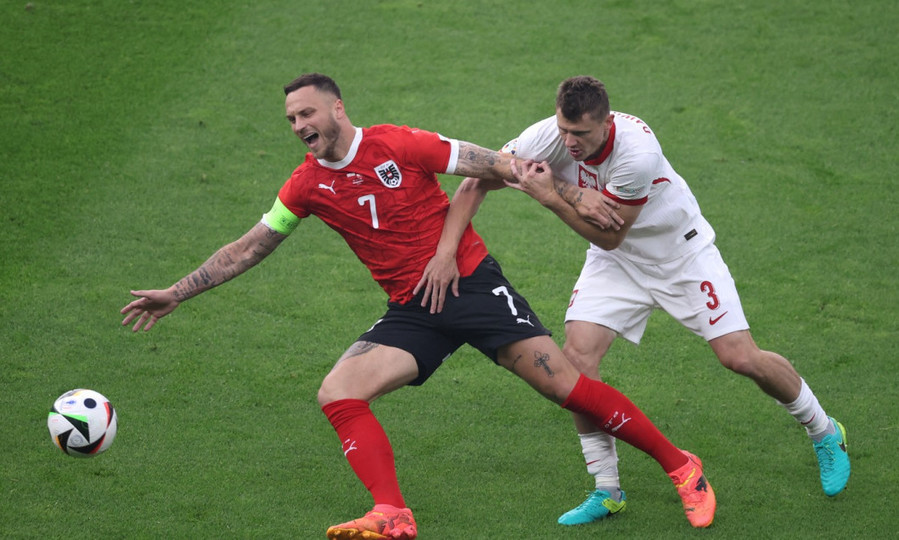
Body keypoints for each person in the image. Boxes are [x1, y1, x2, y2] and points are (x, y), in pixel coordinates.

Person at [120, 73, 716, 538]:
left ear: (337, 109)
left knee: (566, 386)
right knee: (339, 391)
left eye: (308, 112)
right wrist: (178, 290)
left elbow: (495, 164)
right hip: (412, 309)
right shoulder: (305, 185)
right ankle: (391, 513)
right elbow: (250, 247)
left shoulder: (399, 143)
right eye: (292, 117)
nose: (300, 124)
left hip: (473, 285)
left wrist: (565, 193)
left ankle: (680, 465)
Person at [451, 75, 850, 526]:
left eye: (580, 134)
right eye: (564, 129)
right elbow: (484, 174)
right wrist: (446, 250)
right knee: (577, 358)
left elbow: (610, 233)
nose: (568, 142)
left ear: (607, 122)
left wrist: (551, 197)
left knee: (739, 357)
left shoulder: (637, 153)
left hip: (681, 255)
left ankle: (824, 430)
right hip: (618, 265)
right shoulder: (545, 136)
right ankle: (607, 489)